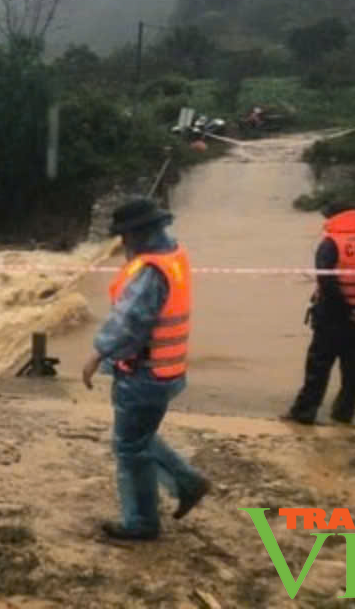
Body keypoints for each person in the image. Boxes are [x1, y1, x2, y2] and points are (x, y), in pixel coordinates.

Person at [81, 197, 211, 541]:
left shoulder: (149, 271)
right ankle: (187, 482)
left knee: (130, 449)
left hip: (144, 374)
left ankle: (141, 522)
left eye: (124, 236)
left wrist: (98, 353)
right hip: (168, 371)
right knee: (139, 439)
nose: (122, 243)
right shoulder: (174, 256)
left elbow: (130, 323)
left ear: (136, 235)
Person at [283, 202, 355, 425]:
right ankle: (343, 415)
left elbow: (328, 284)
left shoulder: (330, 244)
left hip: (331, 317)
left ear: (334, 218)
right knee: (353, 369)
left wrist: (346, 311)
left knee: (318, 367)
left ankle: (304, 413)